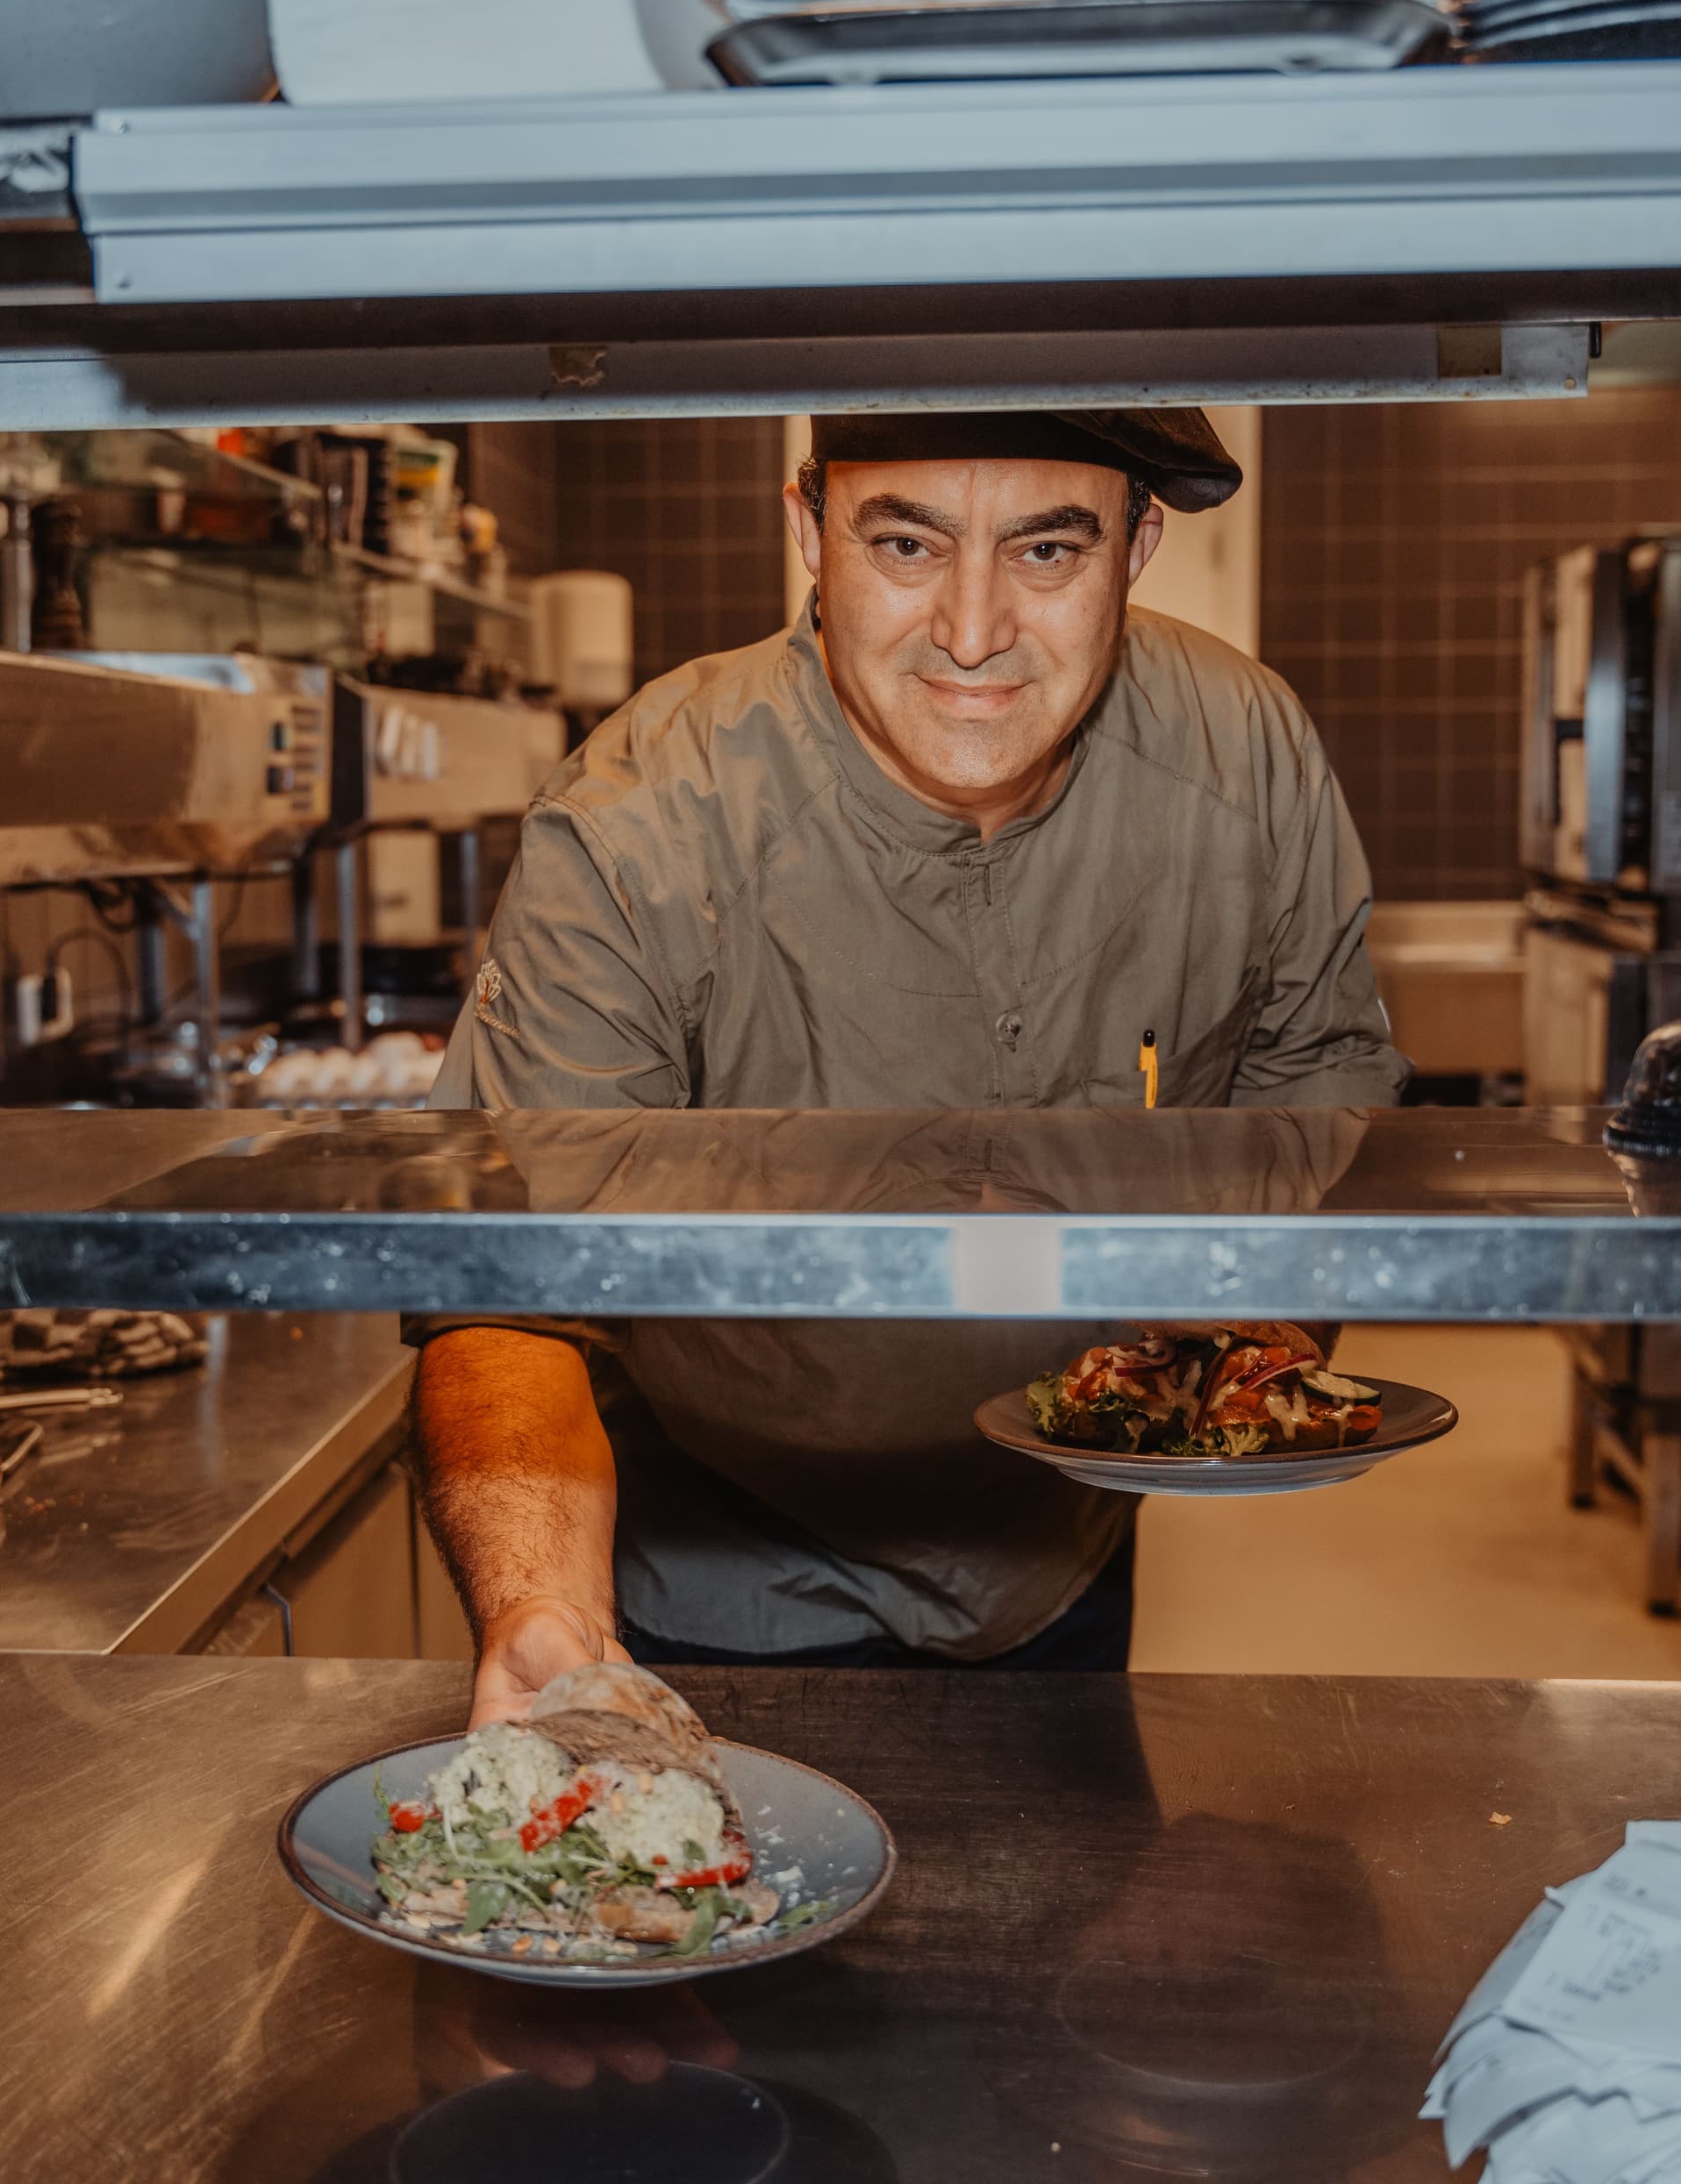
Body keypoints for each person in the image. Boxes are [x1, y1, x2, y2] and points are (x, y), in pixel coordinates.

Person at [416, 408, 1408, 1724]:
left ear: (1136, 547)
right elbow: (507, 1284)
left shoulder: (1248, 754)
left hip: (1058, 1554)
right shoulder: (635, 825)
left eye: (1047, 551)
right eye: (906, 545)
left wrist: (1245, 1358)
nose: (973, 631)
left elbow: (1314, 1078)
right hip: (711, 1586)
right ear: (808, 532)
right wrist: (543, 1609)